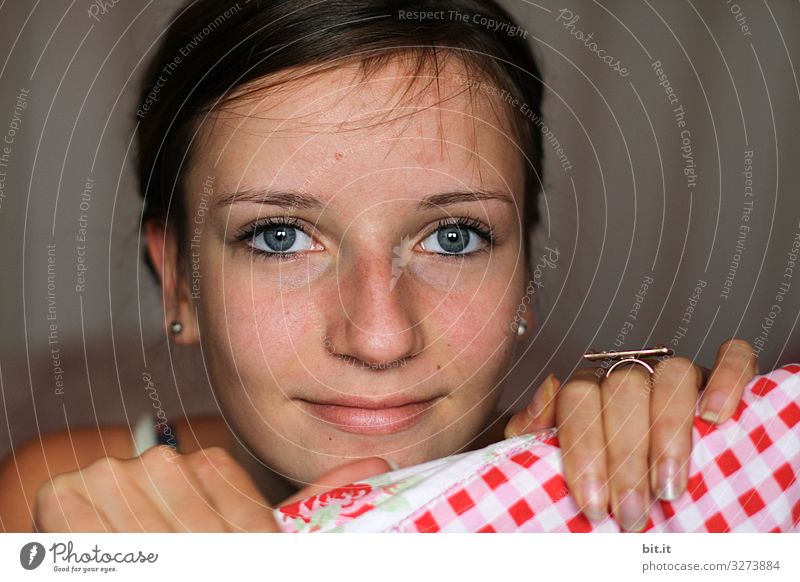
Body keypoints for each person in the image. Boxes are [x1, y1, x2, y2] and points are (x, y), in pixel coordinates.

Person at [0, 0, 757, 533]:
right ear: (178, 281)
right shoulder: (60, 503)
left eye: (454, 237)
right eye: (280, 237)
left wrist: (701, 483)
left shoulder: (607, 504)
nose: (380, 336)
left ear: (526, 271)